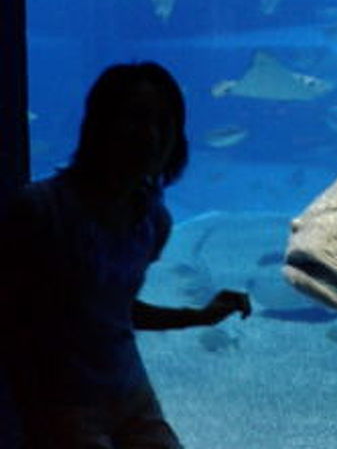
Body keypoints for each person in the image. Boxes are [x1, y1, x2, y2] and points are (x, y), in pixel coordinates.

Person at [0, 62, 251, 448]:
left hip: (131, 396)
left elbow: (112, 313)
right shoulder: (40, 211)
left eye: (163, 123)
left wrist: (199, 317)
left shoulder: (153, 222)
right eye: (134, 118)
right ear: (100, 125)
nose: (150, 135)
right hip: (62, 406)